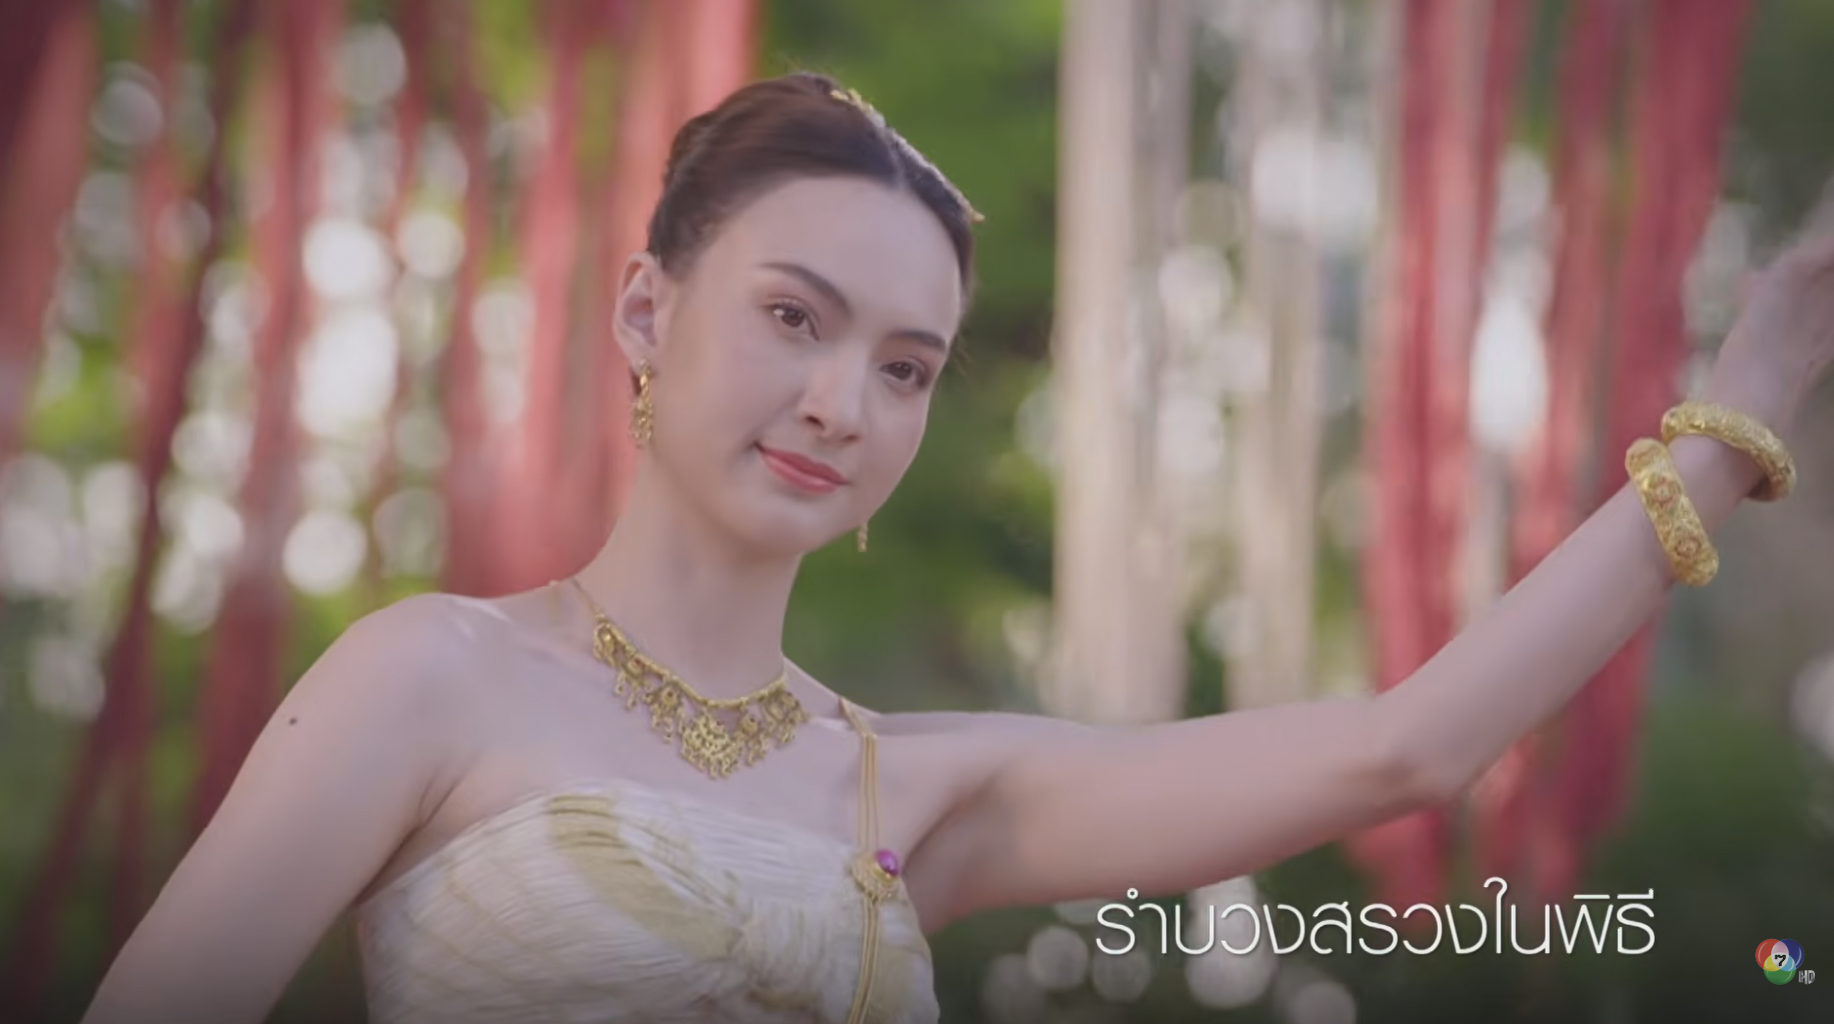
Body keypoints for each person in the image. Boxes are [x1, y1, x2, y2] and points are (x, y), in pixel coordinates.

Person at [78, 70, 1832, 1024]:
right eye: (792, 316)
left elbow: (1407, 746)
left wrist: (1737, 413)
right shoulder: (430, 677)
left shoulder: (915, 793)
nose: (838, 402)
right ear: (644, 311)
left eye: (903, 366)